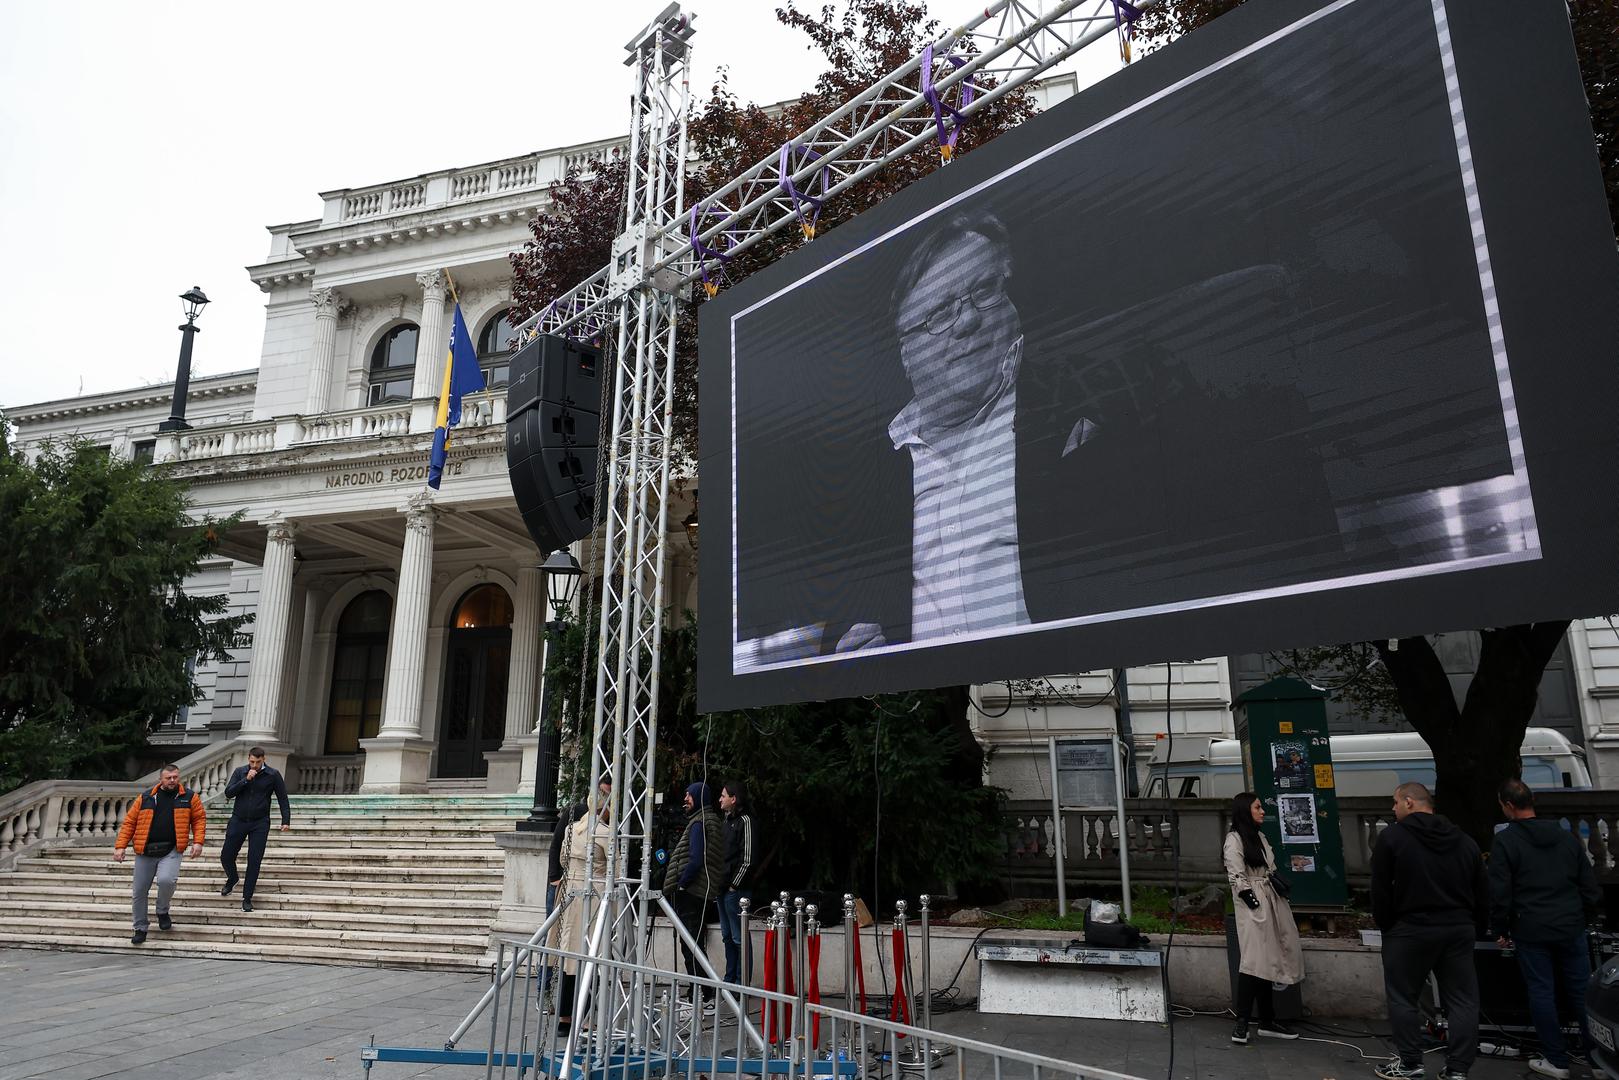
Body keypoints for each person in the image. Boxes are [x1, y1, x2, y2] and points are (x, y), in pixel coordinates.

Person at [737, 211, 1341, 661]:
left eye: (984, 291)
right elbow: (842, 602)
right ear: (904, 350)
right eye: (939, 313)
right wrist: (871, 636)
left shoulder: (1092, 402)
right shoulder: (870, 469)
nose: (969, 320)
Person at [1370, 782, 1487, 1080]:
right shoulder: (1464, 841)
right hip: (1458, 926)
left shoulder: (1392, 838)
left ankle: (1410, 1062)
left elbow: (1380, 887)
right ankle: (1458, 1068)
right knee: (1462, 999)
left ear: (1409, 802)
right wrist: (1477, 924)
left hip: (1410, 927)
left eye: (1395, 802)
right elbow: (1481, 889)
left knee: (1402, 996)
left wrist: (1386, 923)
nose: (1393, 808)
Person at [1489, 778, 1603, 1080]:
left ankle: (1556, 1059)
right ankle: (1598, 1059)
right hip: (1570, 923)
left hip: (1531, 925)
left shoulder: (1506, 841)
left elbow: (1500, 891)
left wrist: (1500, 927)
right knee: (1582, 991)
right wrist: (1584, 915)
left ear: (1509, 806)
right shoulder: (1566, 838)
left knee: (1541, 991)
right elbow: (1588, 884)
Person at [1223, 792, 1303, 1045]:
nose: (1262, 811)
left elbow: (1270, 868)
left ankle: (1267, 1020)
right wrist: (1253, 904)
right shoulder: (1234, 839)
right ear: (1245, 810)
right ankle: (1242, 1022)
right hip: (1254, 905)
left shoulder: (1259, 837)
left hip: (1272, 900)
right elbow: (1236, 876)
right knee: (1253, 961)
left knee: (1268, 959)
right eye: (1257, 807)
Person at [113, 764, 206, 945]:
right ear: (160, 779)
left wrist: (198, 842)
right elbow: (130, 822)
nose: (172, 780)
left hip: (171, 849)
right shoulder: (146, 797)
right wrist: (120, 846)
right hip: (145, 850)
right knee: (139, 891)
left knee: (166, 881)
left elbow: (199, 819)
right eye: (168, 778)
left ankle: (162, 910)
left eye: (175, 777)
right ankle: (140, 928)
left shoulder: (188, 797)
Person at [547, 790, 610, 1028]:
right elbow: (616, 868)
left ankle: (565, 1016)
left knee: (569, 954)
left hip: (570, 892)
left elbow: (563, 858)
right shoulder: (605, 832)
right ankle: (585, 1017)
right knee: (593, 954)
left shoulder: (573, 829)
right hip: (595, 894)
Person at [662, 781, 726, 1009]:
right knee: (694, 946)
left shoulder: (699, 823)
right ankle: (702, 995)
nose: (685, 799)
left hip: (692, 893)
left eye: (689, 795)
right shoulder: (708, 821)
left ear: (699, 798)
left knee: (691, 947)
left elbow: (696, 859)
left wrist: (681, 884)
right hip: (699, 892)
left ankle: (700, 997)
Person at [220, 747, 291, 912]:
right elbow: (229, 793)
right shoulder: (240, 772)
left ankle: (247, 898)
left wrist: (286, 820)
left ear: (264, 759)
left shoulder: (273, 775)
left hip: (260, 822)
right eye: (252, 761)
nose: (255, 765)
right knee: (226, 856)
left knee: (254, 860)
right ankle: (232, 878)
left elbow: (282, 798)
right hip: (238, 819)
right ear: (248, 759)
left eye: (258, 762)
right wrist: (245, 780)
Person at [718, 780, 758, 985]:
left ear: (734, 799)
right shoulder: (725, 821)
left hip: (736, 891)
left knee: (738, 937)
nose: (720, 799)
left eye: (723, 796)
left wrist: (734, 885)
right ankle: (730, 980)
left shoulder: (745, 821)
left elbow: (748, 859)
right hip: (722, 888)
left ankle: (742, 984)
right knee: (727, 936)